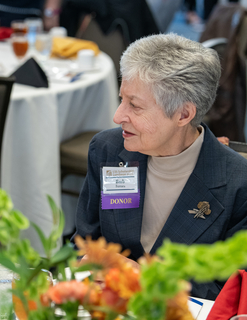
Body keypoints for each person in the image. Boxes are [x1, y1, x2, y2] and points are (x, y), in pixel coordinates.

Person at [74, 33, 247, 300]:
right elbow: (84, 243)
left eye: (135, 105)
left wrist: (142, 279)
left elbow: (233, 290)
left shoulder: (237, 184)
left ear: (183, 115)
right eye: (122, 99)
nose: (118, 116)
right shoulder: (108, 150)